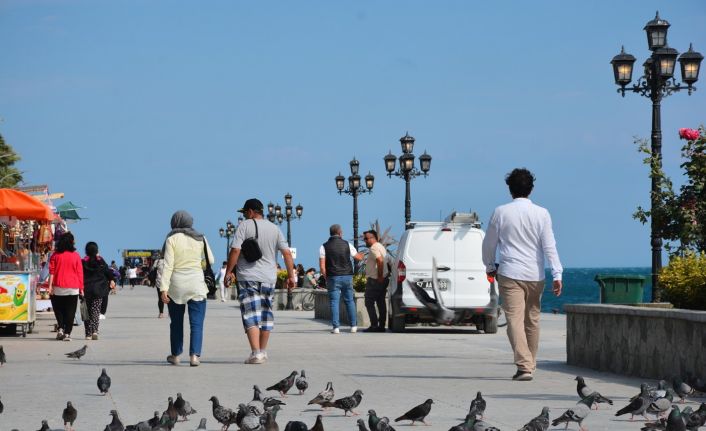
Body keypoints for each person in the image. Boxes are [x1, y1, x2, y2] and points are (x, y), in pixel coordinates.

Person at [481, 168, 563, 382]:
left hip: (510, 272)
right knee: (532, 320)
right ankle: (529, 364)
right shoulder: (542, 213)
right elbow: (549, 246)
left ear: (510, 189)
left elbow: (489, 243)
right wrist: (557, 273)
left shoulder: (501, 212)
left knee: (514, 321)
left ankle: (525, 365)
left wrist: (489, 265)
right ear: (531, 189)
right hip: (536, 275)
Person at [225, 198, 295, 365]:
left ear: (250, 211)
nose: (244, 216)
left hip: (248, 276)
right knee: (265, 314)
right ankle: (262, 351)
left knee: (251, 314)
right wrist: (291, 276)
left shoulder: (244, 226)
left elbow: (235, 250)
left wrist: (229, 271)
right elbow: (286, 253)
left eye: (244, 213)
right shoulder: (275, 228)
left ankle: (255, 353)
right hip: (269, 278)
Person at [159, 210, 214, 367]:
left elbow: (168, 265)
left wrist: (164, 288)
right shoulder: (200, 237)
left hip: (176, 286)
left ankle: (176, 355)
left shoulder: (171, 239)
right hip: (196, 284)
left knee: (176, 323)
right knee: (196, 324)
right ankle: (194, 356)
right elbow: (211, 259)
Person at [319, 224, 363, 334]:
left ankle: (336, 328)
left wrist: (326, 276)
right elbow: (358, 257)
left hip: (333, 276)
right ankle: (353, 326)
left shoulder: (323, 246)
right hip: (347, 276)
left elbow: (322, 266)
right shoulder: (347, 244)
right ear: (340, 233)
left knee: (334, 302)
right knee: (349, 301)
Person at [48, 232, 83, 341]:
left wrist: (50, 287)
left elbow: (51, 272)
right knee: (70, 311)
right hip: (73, 287)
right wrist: (81, 288)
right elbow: (79, 273)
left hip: (58, 286)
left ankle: (61, 328)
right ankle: (67, 333)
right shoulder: (76, 256)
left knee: (58, 310)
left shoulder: (55, 255)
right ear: (71, 242)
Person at [82, 242, 115, 340]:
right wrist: (112, 279)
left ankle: (88, 333)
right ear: (96, 250)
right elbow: (108, 272)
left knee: (85, 311)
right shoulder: (101, 261)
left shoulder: (83, 261)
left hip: (86, 290)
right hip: (98, 290)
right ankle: (95, 331)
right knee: (96, 311)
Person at [362, 230, 388, 333]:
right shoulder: (380, 246)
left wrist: (380, 276)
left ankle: (374, 325)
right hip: (383, 279)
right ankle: (381, 326)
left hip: (375, 280)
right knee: (381, 302)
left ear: (373, 238)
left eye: (366, 238)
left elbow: (380, 260)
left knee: (368, 302)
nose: (365, 240)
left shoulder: (373, 248)